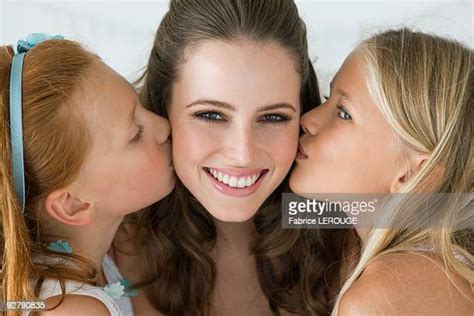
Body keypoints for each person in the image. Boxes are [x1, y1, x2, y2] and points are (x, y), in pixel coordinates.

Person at [112, 0, 344, 315]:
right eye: (211, 115)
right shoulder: (102, 233)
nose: (242, 153)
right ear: (161, 108)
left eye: (274, 118)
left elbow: (431, 211)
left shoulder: (347, 222)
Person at [289, 28, 473, 315]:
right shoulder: (436, 272)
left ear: (412, 174)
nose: (308, 119)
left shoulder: (378, 299)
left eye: (344, 113)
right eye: (327, 98)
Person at [0, 34, 175, 315]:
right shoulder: (71, 310)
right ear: (73, 205)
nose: (164, 126)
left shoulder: (106, 253)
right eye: (136, 134)